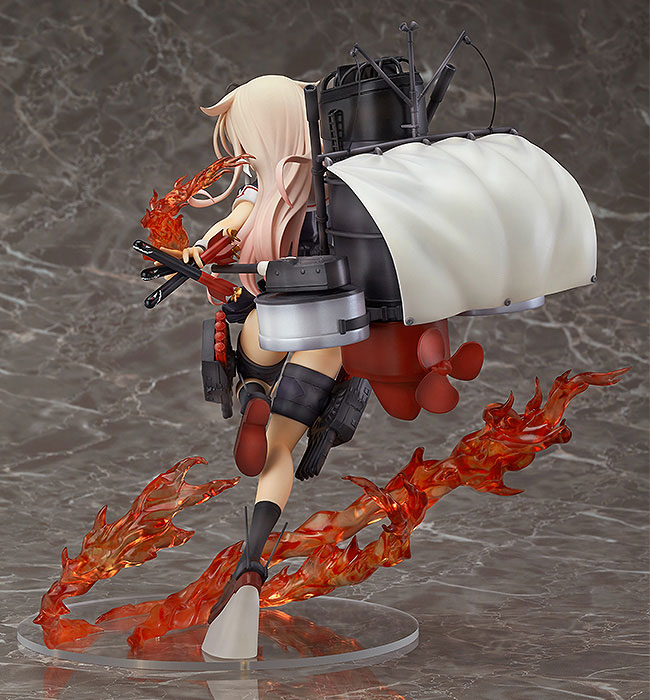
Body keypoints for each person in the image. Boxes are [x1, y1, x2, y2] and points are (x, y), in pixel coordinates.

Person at [181, 75, 341, 657]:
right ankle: (252, 558)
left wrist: (200, 248)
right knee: (280, 449)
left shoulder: (261, 187)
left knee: (254, 355)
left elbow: (237, 219)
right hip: (326, 337)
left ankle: (253, 390)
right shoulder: (336, 182)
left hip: (269, 322)